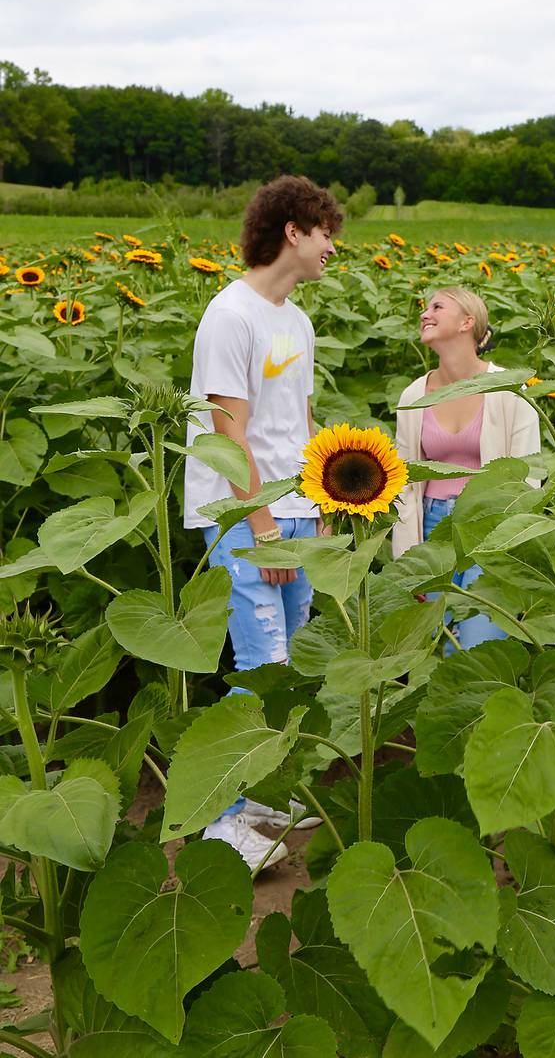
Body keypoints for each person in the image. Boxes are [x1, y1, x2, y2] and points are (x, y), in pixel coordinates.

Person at [183, 174, 341, 870]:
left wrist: (323, 502)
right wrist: (266, 523)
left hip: (298, 508)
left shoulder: (297, 322)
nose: (334, 245)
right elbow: (228, 429)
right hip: (246, 514)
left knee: (291, 668)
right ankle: (221, 821)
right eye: (326, 231)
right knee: (258, 664)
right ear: (293, 232)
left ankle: (258, 797)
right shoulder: (231, 314)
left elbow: (299, 424)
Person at [393, 286, 539, 649]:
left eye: (437, 307)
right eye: (425, 308)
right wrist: (409, 559)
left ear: (467, 322)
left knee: (478, 645)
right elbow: (403, 482)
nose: (425, 314)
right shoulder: (414, 395)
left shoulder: (509, 389)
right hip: (430, 529)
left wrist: (508, 543)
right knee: (429, 647)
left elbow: (528, 476)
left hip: (487, 532)